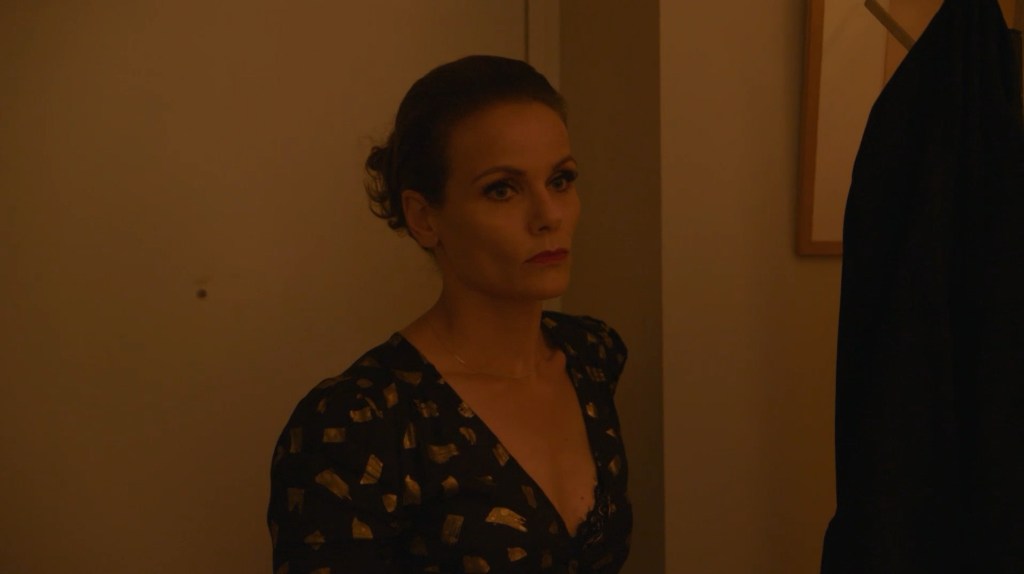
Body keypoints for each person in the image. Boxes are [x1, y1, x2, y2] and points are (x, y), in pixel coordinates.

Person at [267, 55, 632, 574]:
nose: (549, 215)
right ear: (424, 217)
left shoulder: (590, 356)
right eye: (502, 189)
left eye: (561, 180)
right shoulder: (360, 423)